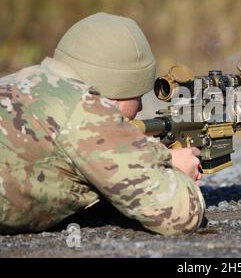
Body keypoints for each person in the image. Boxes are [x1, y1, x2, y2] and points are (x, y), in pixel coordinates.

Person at [0, 12, 206, 235]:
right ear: (118, 92)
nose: (138, 107)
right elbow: (179, 214)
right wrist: (175, 170)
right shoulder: (86, 110)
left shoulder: (22, 80)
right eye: (137, 95)